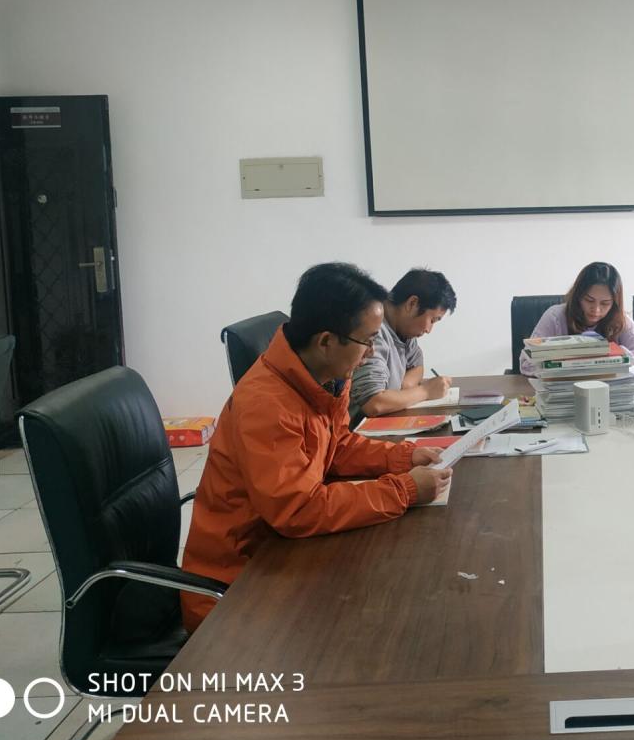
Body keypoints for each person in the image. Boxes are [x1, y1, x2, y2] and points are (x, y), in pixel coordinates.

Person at [180, 263, 451, 631]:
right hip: (238, 585)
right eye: (367, 341)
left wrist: (404, 456)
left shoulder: (324, 376)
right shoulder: (266, 404)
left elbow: (337, 446)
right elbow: (299, 510)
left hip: (284, 554)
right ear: (326, 342)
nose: (371, 353)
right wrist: (403, 490)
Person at [350, 268, 457, 423]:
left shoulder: (403, 330)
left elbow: (417, 365)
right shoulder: (374, 331)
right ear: (412, 303)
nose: (429, 330)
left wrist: (405, 386)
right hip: (354, 430)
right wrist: (426, 391)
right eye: (432, 320)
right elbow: (374, 403)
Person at [520, 261, 634, 376]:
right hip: (564, 390)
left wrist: (613, 354)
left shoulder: (620, 321)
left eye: (605, 303)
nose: (596, 310)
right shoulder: (555, 317)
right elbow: (526, 363)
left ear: (614, 304)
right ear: (578, 296)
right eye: (589, 300)